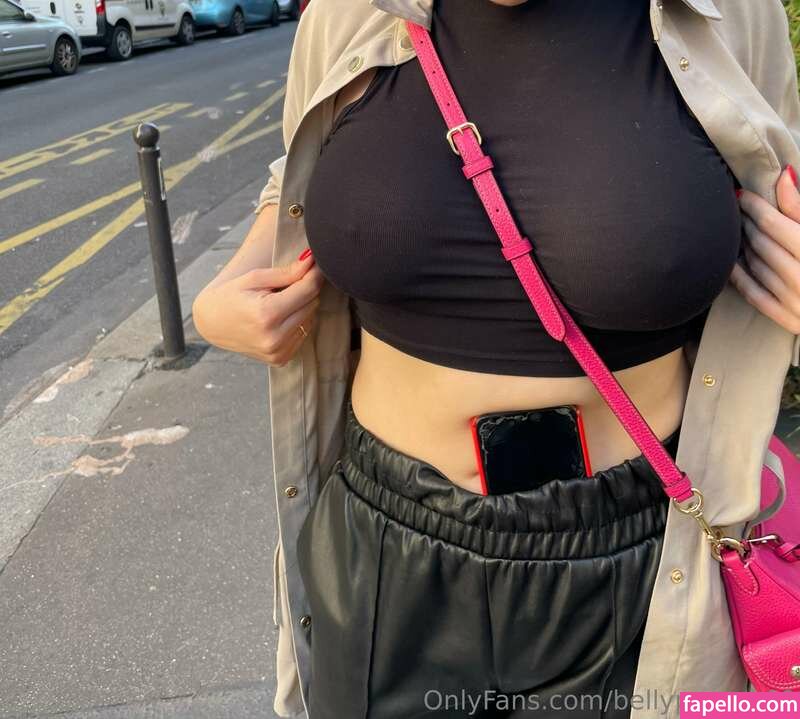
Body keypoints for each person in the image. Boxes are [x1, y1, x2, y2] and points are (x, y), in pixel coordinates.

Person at [192, 0, 800, 716]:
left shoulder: (731, 12)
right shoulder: (346, 12)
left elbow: (777, 173)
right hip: (384, 551)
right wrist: (222, 299)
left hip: (650, 555)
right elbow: (297, 173)